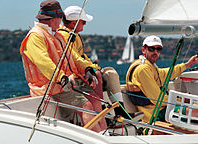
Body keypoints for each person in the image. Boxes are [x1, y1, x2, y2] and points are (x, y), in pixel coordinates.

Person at [20, 0, 106, 133]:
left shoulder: (56, 35)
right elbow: (45, 63)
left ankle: (105, 135)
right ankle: (98, 138)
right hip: (49, 87)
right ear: (53, 19)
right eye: (60, 18)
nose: (61, 22)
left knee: (95, 100)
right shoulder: (35, 37)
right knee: (86, 105)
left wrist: (87, 69)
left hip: (65, 83)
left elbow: (73, 57)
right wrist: (62, 78)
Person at [57, 6, 143, 123]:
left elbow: (82, 56)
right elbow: (74, 58)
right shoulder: (65, 36)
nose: (85, 24)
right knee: (98, 74)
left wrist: (93, 66)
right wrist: (92, 69)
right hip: (76, 76)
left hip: (81, 72)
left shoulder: (74, 34)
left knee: (110, 73)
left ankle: (120, 111)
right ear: (73, 23)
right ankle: (104, 114)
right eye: (83, 21)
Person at [126, 35, 198, 123]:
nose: (155, 52)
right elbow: (157, 99)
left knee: (194, 107)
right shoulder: (143, 69)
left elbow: (166, 74)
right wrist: (182, 100)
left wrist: (187, 65)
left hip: (161, 110)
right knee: (195, 110)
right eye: (151, 49)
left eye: (158, 49)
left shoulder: (150, 67)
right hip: (154, 115)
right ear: (144, 49)